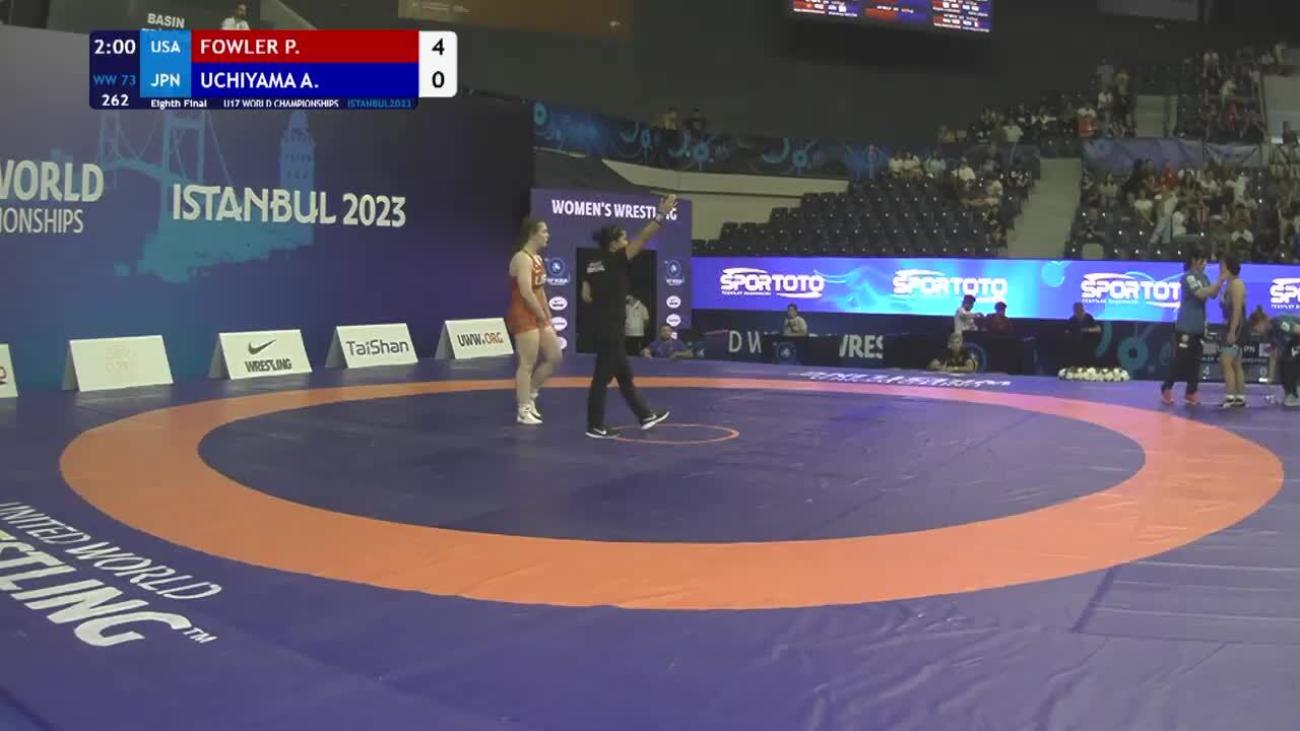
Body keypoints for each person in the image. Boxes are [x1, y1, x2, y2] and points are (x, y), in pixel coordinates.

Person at [582, 196, 677, 439]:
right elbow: (643, 238)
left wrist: (604, 297)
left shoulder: (592, 263)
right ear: (614, 244)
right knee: (601, 378)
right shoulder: (616, 259)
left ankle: (645, 415)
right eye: (624, 239)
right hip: (612, 327)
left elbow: (586, 296)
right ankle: (594, 426)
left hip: (600, 326)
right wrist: (661, 215)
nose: (627, 242)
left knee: (624, 375)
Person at [507, 219, 563, 425]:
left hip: (538, 314)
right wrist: (540, 315)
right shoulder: (521, 258)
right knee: (527, 363)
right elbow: (526, 292)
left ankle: (531, 394)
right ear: (532, 233)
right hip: (523, 314)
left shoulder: (537, 259)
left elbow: (540, 290)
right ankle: (523, 410)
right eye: (544, 231)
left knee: (555, 356)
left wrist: (548, 316)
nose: (548, 235)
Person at [1160, 248, 1226, 406]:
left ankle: (1191, 392)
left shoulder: (1204, 277)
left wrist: (1221, 280)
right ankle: (1167, 387)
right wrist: (1219, 280)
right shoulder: (1187, 277)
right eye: (1202, 260)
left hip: (1199, 326)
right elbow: (1200, 294)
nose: (1205, 264)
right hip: (1186, 326)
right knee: (1181, 359)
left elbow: (1213, 294)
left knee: (1195, 361)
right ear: (1193, 261)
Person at [1249, 307, 1300, 407]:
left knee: (1290, 360)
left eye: (1256, 328)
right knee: (1283, 362)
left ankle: (1294, 394)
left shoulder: (1280, 323)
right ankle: (1290, 393)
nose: (1256, 331)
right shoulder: (1269, 334)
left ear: (1262, 322)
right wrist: (1270, 377)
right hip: (1293, 343)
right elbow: (1274, 355)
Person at [1217, 255, 1247, 408]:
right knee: (1235, 363)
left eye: (1221, 265)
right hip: (1233, 324)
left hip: (1236, 325)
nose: (1219, 268)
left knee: (1226, 361)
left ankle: (1230, 397)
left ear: (1228, 267)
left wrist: (1232, 331)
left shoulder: (1236, 284)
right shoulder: (1230, 284)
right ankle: (1239, 397)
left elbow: (1237, 310)